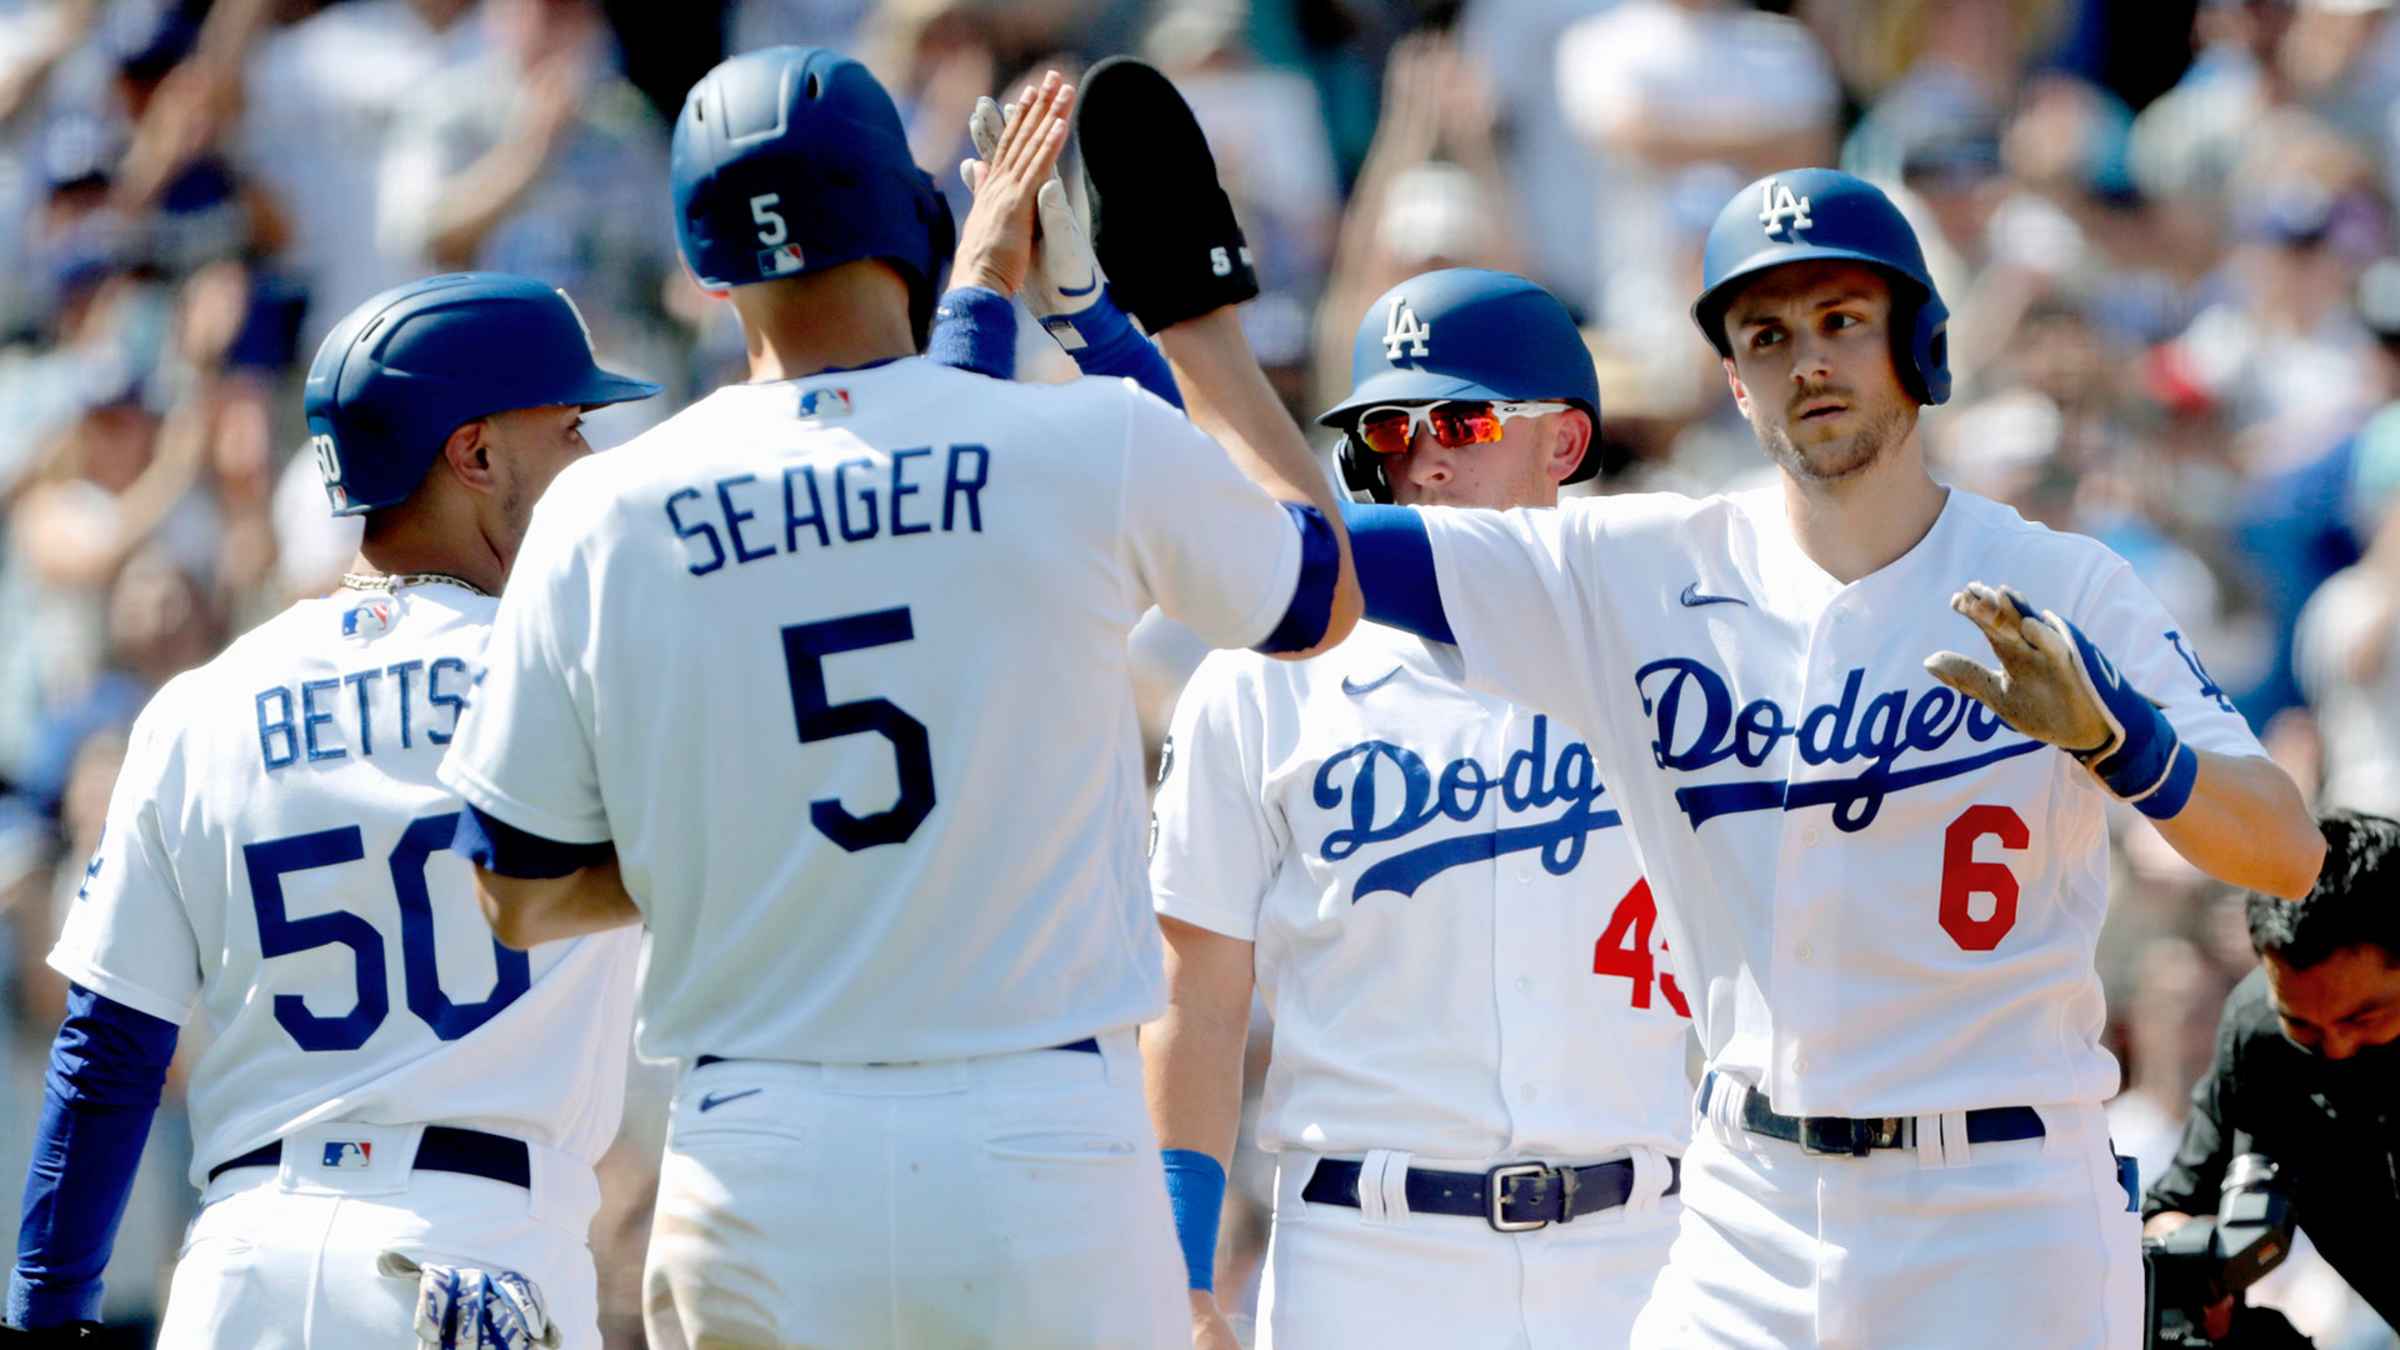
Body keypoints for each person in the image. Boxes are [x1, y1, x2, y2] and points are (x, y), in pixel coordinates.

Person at [1040, 98, 2323, 1348]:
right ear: (1732, 376)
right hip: (1745, 1207)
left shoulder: (2063, 583)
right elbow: (1307, 561)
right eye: (1766, 334)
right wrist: (1177, 331)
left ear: (1917, 343)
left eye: (1840, 318)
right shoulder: (1632, 573)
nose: (1807, 357)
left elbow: (2286, 852)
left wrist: (2124, 746)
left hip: (1999, 1198)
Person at [429, 49, 1359, 1349]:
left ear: (709, 272)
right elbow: (1317, 597)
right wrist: (1142, 315)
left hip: (759, 1149)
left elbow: (515, 889)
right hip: (1040, 1143)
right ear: (907, 215)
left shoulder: (600, 506)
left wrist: (754, 853)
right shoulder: (1082, 439)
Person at [4, 271, 661, 1348]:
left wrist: (45, 1316)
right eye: (570, 428)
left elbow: (108, 1049)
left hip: (241, 1272)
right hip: (468, 1257)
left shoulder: (200, 704)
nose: (587, 461)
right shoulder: (581, 673)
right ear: (477, 453)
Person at [1145, 266, 1694, 1350]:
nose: (1421, 455)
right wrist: (1184, 1275)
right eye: (1389, 427)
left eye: (1464, 420)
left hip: (1648, 1243)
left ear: (1566, 446)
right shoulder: (1264, 676)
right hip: (1368, 1254)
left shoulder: (1674, 639)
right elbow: (1194, 994)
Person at [2144, 809, 2400, 1339]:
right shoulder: (2259, 1038)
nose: (2338, 1048)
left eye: (2365, 1018)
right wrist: (2201, 1272)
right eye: (2302, 1025)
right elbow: (2169, 1217)